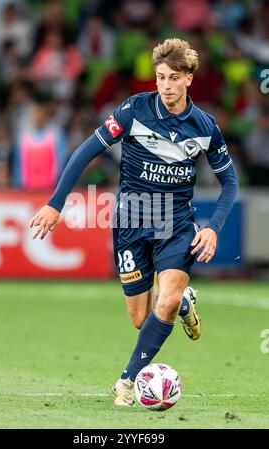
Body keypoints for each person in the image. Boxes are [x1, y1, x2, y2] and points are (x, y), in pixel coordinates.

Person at [29, 38, 238, 406]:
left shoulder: (205, 127)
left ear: (189, 78)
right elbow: (85, 152)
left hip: (176, 223)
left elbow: (230, 182)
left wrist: (212, 227)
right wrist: (55, 204)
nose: (166, 85)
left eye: (174, 77)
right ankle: (184, 304)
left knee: (166, 299)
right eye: (160, 77)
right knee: (142, 319)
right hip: (131, 221)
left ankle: (127, 380)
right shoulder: (133, 110)